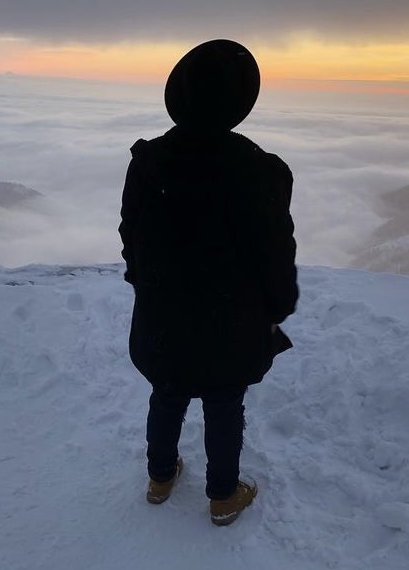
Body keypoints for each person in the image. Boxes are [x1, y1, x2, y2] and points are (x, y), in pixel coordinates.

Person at [118, 39, 298, 526]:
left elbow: (130, 234)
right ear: (242, 102)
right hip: (232, 323)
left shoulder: (148, 162)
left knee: (167, 392)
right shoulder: (262, 172)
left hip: (162, 318)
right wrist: (277, 308)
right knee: (223, 403)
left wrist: (145, 283)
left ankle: (159, 478)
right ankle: (222, 496)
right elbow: (276, 255)